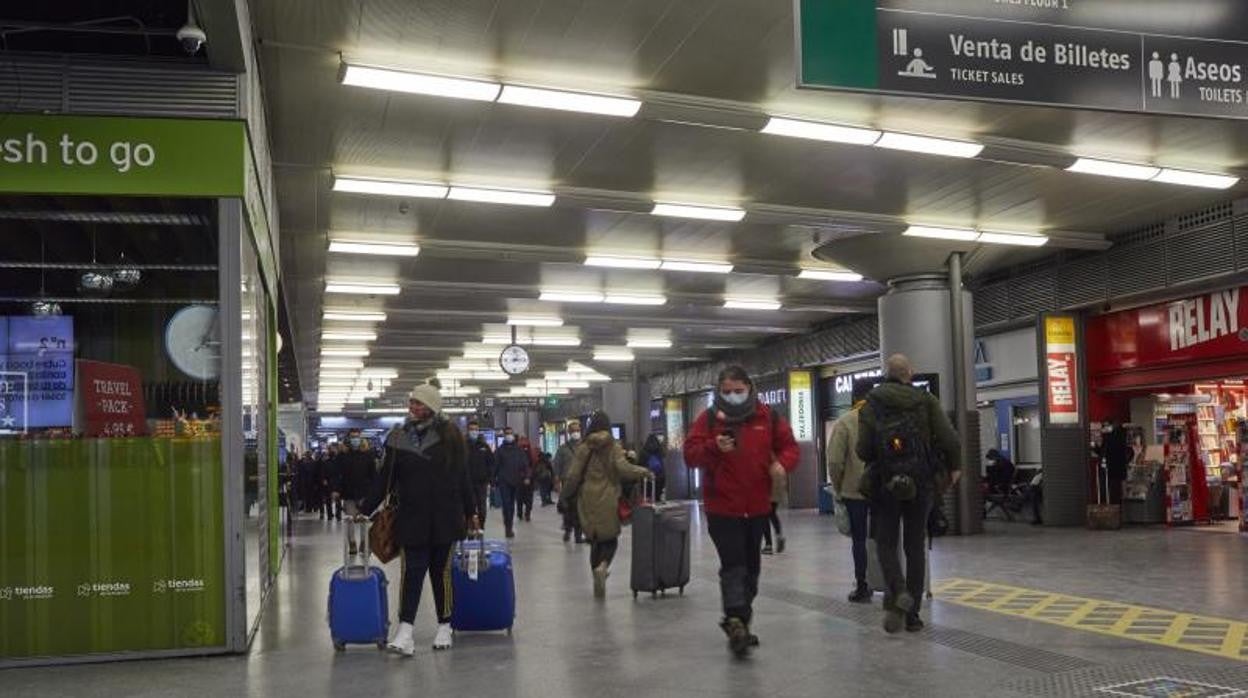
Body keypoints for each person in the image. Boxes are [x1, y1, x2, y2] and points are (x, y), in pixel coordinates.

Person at [683, 365, 799, 658]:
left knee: (752, 571)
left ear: (749, 388)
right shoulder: (708, 419)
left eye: (738, 390)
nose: (733, 396)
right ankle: (735, 619)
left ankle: (740, 624)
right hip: (723, 508)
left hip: (758, 507)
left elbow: (790, 448)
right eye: (726, 392)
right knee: (733, 564)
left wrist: (781, 465)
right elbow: (690, 454)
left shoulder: (767, 417)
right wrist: (713, 447)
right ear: (718, 393)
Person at [361, 380, 478, 656]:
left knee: (442, 573)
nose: (412, 407)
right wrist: (365, 509)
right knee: (411, 574)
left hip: (446, 519)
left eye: (418, 403)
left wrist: (472, 512)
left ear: (431, 407)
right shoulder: (398, 437)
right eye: (411, 402)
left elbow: (464, 479)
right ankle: (405, 630)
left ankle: (445, 625)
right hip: (411, 518)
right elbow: (385, 479)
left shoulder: (452, 437)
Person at [856, 354, 961, 635]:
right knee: (915, 547)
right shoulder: (925, 401)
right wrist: (955, 468)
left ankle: (898, 589)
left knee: (885, 544)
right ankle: (912, 614)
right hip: (921, 482)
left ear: (885, 374)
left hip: (885, 484)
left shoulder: (872, 403)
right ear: (909, 373)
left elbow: (863, 450)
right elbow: (950, 438)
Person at [559, 410, 652, 598]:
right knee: (610, 538)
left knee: (594, 539)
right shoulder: (613, 446)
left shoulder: (583, 448)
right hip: (608, 497)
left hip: (586, 499)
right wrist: (643, 471)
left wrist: (565, 495)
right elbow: (623, 469)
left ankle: (596, 573)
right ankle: (603, 566)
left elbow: (573, 476)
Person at [829, 400, 871, 603]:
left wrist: (839, 486)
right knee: (887, 539)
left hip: (855, 492)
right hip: (886, 491)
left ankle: (862, 585)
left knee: (860, 539)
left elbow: (835, 461)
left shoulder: (845, 422)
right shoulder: (887, 418)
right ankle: (893, 586)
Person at [332, 430, 377, 555]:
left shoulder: (368, 455)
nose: (355, 440)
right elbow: (337, 474)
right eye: (352, 437)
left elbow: (373, 475)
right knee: (350, 520)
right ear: (348, 439)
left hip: (364, 493)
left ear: (361, 438)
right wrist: (335, 490)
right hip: (348, 493)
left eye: (357, 437)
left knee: (364, 520)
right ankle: (352, 543)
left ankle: (364, 543)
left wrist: (374, 492)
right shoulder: (342, 456)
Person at [494, 426, 530, 538]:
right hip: (504, 481)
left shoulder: (518, 450)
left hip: (516, 481)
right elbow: (495, 466)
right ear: (504, 436)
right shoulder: (499, 451)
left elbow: (525, 464)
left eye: (510, 433)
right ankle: (508, 527)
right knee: (506, 504)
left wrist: (527, 476)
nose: (509, 435)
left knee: (512, 505)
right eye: (507, 433)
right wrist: (492, 480)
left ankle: (509, 524)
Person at [555, 422, 585, 543]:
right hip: (567, 483)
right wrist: (556, 480)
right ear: (569, 433)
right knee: (568, 509)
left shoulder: (585, 447)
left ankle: (578, 535)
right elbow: (557, 465)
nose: (576, 433)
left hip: (582, 483)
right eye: (573, 431)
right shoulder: (563, 449)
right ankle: (568, 530)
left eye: (577, 430)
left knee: (580, 509)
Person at [465, 420, 495, 528]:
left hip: (482, 482)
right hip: (467, 483)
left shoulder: (484, 446)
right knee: (469, 506)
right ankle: (470, 527)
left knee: (482, 507)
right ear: (468, 431)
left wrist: (491, 479)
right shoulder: (463, 446)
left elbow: (491, 463)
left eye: (476, 430)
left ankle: (481, 526)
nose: (474, 432)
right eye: (472, 429)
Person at [761, 468, 786, 555]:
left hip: (767, 490)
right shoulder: (778, 465)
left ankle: (768, 545)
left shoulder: (763, 460)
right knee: (772, 514)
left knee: (764, 516)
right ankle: (779, 535)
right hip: (776, 491)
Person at [516, 435, 537, 522]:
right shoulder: (531, 450)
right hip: (530, 478)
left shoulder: (516, 451)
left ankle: (520, 513)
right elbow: (535, 462)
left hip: (519, 478)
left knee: (519, 498)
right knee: (529, 497)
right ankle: (527, 513)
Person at [641, 434, 667, 501]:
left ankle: (649, 508)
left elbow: (640, 464)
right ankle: (658, 507)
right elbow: (663, 462)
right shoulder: (660, 450)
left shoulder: (644, 451)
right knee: (658, 496)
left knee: (648, 497)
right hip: (660, 477)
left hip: (648, 477)